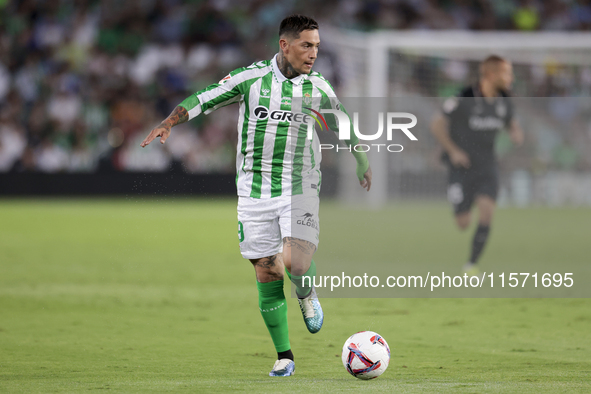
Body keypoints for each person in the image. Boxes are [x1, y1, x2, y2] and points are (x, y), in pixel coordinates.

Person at [140, 14, 372, 377]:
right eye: (306, 45)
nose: (313, 54)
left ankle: (306, 294)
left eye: (317, 47)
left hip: (300, 184)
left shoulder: (319, 87)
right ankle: (285, 356)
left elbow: (341, 120)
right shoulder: (251, 79)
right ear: (285, 45)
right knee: (266, 272)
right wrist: (170, 122)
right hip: (254, 190)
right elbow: (206, 97)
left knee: (295, 262)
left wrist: (361, 158)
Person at [430, 55, 524, 276]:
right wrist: (453, 151)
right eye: (506, 73)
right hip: (461, 167)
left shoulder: (504, 101)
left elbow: (513, 125)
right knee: (463, 222)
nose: (510, 78)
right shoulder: (464, 97)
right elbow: (436, 124)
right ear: (491, 75)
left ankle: (471, 264)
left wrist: (516, 134)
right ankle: (465, 202)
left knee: (487, 211)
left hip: (487, 166)